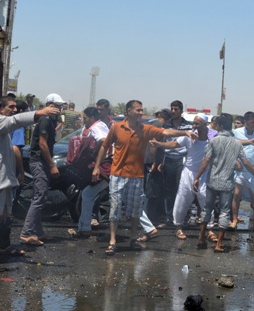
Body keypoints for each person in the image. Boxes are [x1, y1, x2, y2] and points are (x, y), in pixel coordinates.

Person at [92, 100, 197, 256]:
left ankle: (133, 239)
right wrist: (96, 167)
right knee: (114, 210)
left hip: (136, 176)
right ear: (128, 112)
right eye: (138, 110)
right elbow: (105, 146)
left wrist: (185, 133)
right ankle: (112, 242)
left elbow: (166, 133)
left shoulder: (146, 129)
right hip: (117, 174)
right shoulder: (116, 128)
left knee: (134, 211)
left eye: (142, 110)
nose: (141, 113)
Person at [194, 113, 254, 251]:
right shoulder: (236, 143)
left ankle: (201, 238)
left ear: (220, 126)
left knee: (207, 209)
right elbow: (246, 163)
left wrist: (197, 177)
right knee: (225, 212)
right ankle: (219, 244)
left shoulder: (213, 141)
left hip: (212, 181)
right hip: (227, 183)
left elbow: (206, 160)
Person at [0, 102, 59, 255]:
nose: (14, 110)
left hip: (5, 179)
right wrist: (39, 112)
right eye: (10, 107)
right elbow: (16, 121)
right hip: (1, 180)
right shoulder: (2, 122)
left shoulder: (5, 130)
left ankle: (5, 246)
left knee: (6, 213)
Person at [150, 113, 210, 240]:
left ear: (205, 125)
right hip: (188, 172)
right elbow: (173, 145)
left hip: (204, 174)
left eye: (197, 123)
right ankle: (178, 227)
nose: (194, 126)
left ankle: (209, 229)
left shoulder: (212, 139)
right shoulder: (189, 136)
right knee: (182, 199)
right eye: (193, 123)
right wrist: (159, 144)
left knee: (205, 199)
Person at [19, 94, 66, 245]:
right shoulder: (45, 120)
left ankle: (37, 231)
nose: (59, 109)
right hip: (39, 161)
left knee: (41, 195)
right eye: (57, 106)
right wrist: (52, 165)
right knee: (39, 196)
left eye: (60, 106)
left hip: (41, 161)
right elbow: (43, 144)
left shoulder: (50, 121)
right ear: (49, 105)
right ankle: (27, 233)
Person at [66, 107, 110, 238]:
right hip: (108, 166)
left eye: (85, 118)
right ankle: (84, 227)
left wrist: (94, 153)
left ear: (91, 118)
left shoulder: (96, 127)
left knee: (88, 194)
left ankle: (84, 228)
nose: (83, 121)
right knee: (88, 194)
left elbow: (102, 141)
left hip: (105, 167)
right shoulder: (101, 125)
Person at [230, 111, 254, 229]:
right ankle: (234, 218)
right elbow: (232, 148)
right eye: (251, 122)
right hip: (240, 170)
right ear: (245, 122)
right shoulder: (236, 132)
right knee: (236, 194)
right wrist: (235, 162)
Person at [162, 100, 192, 227]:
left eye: (176, 109)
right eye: (172, 109)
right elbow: (161, 142)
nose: (173, 111)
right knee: (169, 190)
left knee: (183, 189)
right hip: (168, 158)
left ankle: (184, 217)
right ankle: (169, 218)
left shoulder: (188, 126)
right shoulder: (166, 125)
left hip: (182, 159)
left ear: (181, 111)